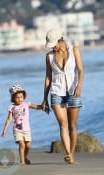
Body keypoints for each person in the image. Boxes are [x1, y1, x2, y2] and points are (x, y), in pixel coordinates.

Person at [42, 29, 84, 164]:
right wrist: (44, 98)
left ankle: (71, 154)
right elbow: (48, 77)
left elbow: (80, 70)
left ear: (60, 39)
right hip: (56, 92)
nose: (53, 47)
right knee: (63, 124)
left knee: (73, 125)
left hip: (73, 91)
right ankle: (68, 154)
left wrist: (79, 86)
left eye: (54, 44)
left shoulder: (74, 50)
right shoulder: (49, 56)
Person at [2, 84, 42, 165]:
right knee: (22, 144)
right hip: (17, 129)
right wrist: (5, 130)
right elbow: (9, 119)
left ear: (24, 97)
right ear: (13, 98)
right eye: (17, 97)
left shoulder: (26, 104)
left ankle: (25, 157)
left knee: (28, 146)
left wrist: (42, 107)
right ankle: (22, 161)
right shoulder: (12, 107)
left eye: (21, 97)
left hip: (27, 129)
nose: (20, 99)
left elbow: (36, 106)